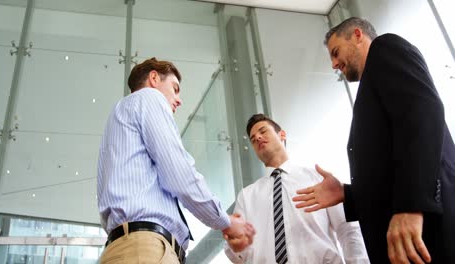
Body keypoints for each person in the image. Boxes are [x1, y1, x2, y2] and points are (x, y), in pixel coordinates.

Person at [293, 17, 455, 264]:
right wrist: (347, 194)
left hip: (427, 233)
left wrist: (411, 206)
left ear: (357, 35)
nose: (335, 64)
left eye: (336, 53)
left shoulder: (385, 48)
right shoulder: (373, 89)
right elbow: (388, 174)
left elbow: (423, 114)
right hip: (407, 243)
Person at [97, 57, 255, 264]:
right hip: (145, 249)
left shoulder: (119, 118)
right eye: (175, 88)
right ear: (154, 78)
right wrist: (225, 221)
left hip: (127, 247)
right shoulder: (149, 98)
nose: (179, 100)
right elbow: (179, 174)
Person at [224, 113, 369, 264]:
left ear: (282, 135)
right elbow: (237, 252)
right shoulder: (246, 197)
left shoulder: (318, 179)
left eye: (263, 131)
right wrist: (235, 244)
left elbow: (347, 229)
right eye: (253, 140)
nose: (258, 138)